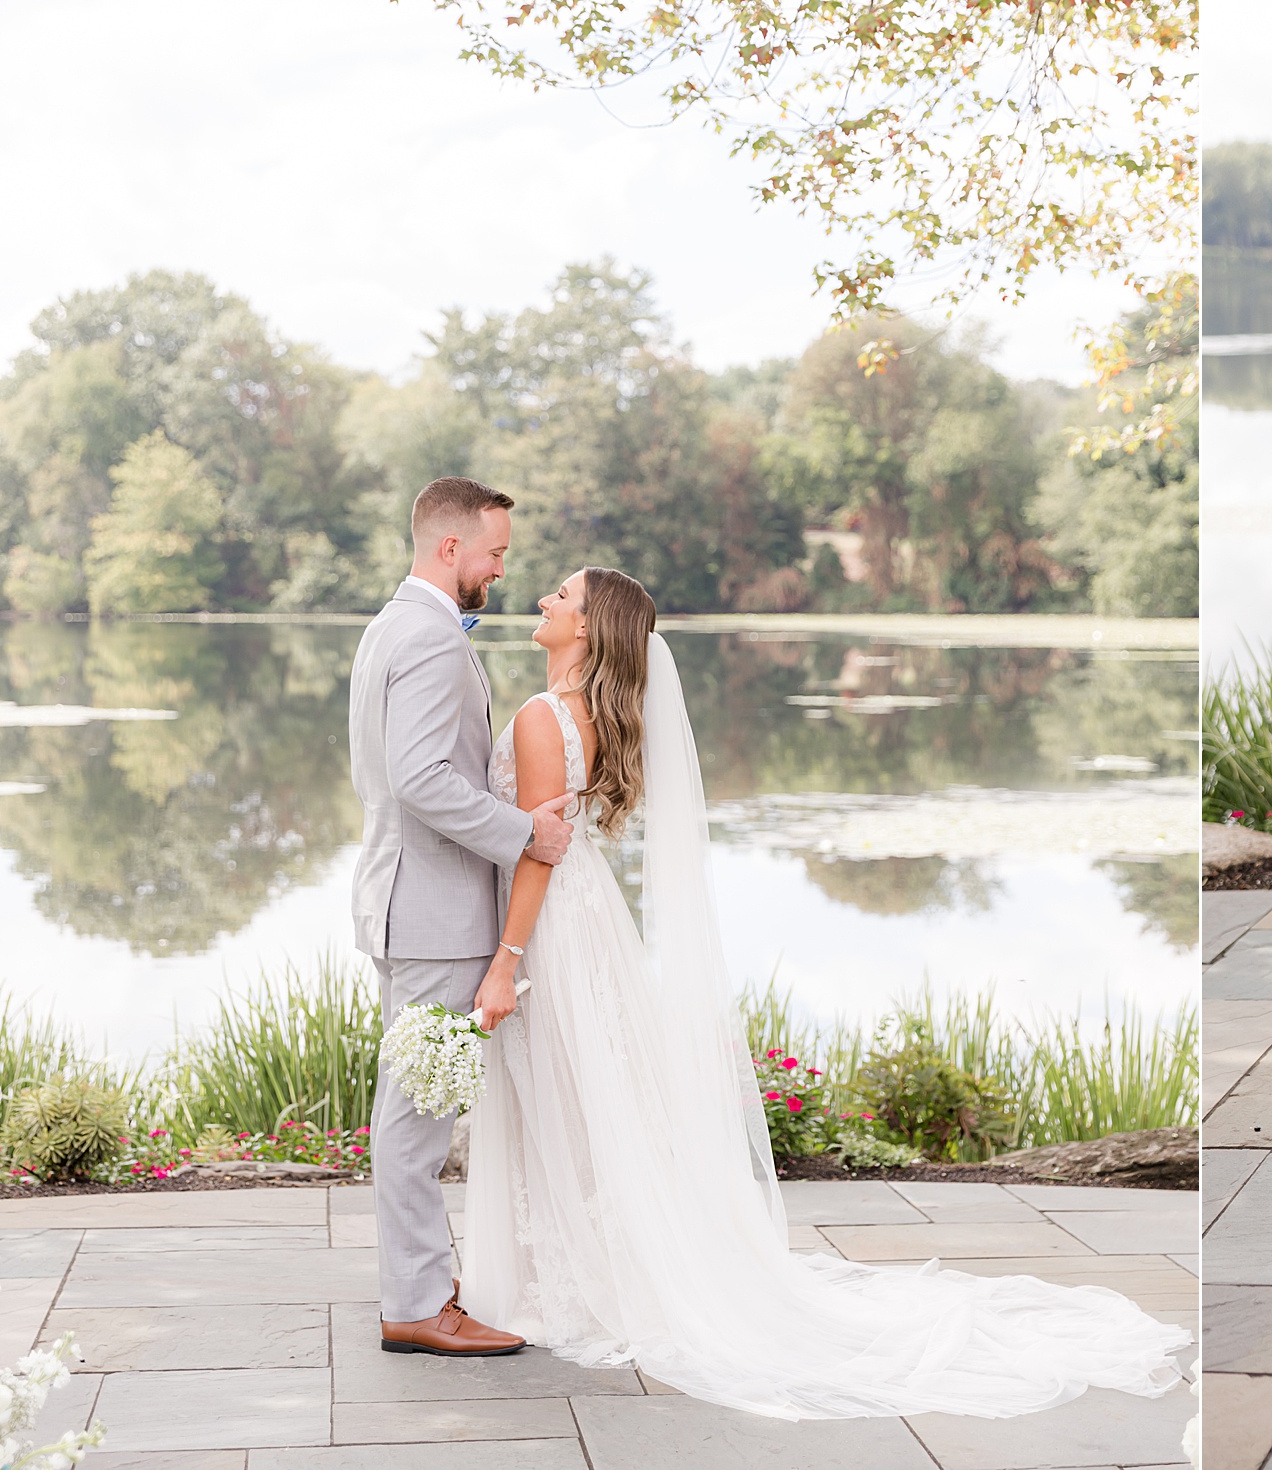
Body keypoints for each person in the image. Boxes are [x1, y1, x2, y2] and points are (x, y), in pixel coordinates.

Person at [457, 564, 1191, 1418]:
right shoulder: (591, 717)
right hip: (591, 927)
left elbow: (542, 849)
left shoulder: (545, 717)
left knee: (563, 1097)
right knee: (589, 1102)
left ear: (585, 630)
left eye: (561, 595)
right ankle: (581, 1267)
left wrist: (507, 957)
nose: (545, 600)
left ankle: (571, 1279)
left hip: (551, 928)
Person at [350, 475, 572, 1356]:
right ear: (451, 547)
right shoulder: (433, 641)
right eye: (495, 551)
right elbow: (420, 780)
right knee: (416, 1121)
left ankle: (423, 1283)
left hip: (403, 901)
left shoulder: (390, 627)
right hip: (435, 915)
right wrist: (524, 834)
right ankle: (415, 1305)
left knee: (415, 1111)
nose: (501, 568)